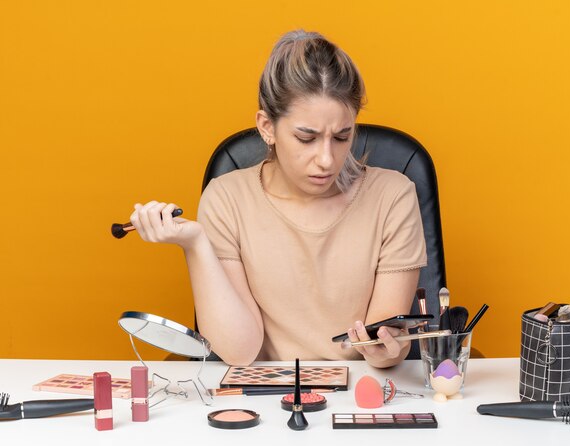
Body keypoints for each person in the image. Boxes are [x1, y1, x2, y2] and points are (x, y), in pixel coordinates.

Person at [130, 30, 427, 368]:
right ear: (267, 127)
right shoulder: (227, 199)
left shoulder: (393, 196)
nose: (327, 159)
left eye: (342, 136)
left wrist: (388, 347)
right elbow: (240, 352)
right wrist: (197, 245)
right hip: (267, 396)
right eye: (306, 138)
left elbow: (387, 345)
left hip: (362, 390)